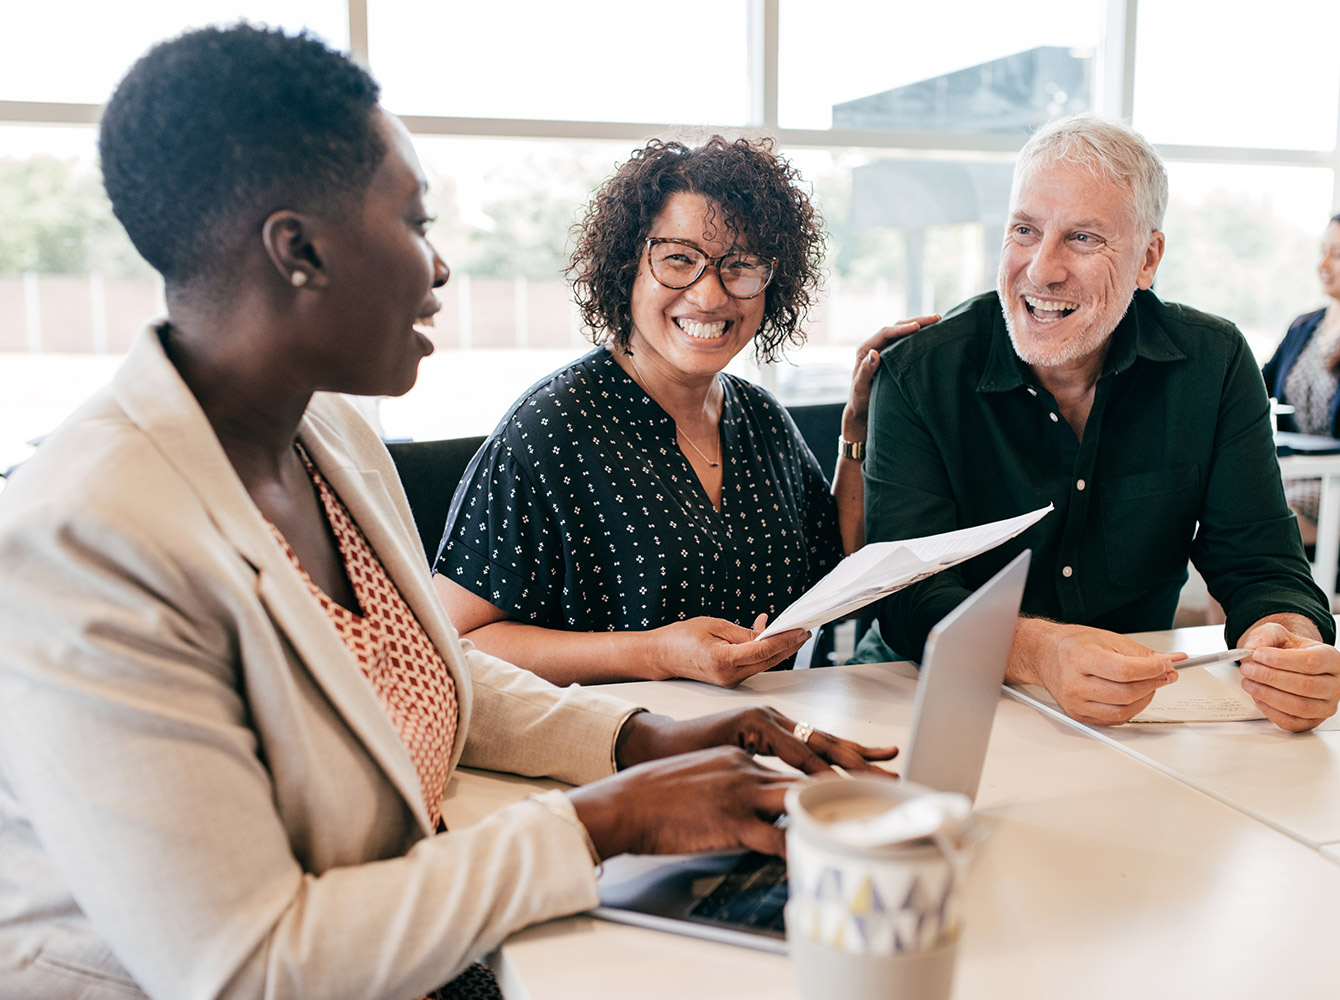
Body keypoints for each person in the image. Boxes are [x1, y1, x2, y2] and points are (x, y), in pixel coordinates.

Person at [0, 25, 898, 1000]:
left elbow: (427, 663)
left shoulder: (328, 436)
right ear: (298, 248)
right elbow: (250, 966)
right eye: (415, 223)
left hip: (417, 944)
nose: (438, 271)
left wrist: (643, 740)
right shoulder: (82, 535)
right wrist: (608, 819)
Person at [864, 113, 1340, 733]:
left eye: (1083, 238)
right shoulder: (919, 375)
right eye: (1024, 230)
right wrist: (1040, 653)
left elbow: (1262, 565)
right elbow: (910, 595)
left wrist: (1289, 641)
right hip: (930, 693)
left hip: (1137, 710)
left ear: (1147, 259)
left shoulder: (1214, 363)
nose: (1041, 269)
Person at [434, 135, 932, 686]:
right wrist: (653, 653)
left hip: (763, 737)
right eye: (679, 259)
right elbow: (458, 641)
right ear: (627, 267)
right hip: (617, 751)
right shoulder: (551, 429)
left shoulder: (760, 418)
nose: (711, 295)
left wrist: (857, 428)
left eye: (740, 266)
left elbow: (837, 564)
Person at [1263, 213, 1340, 546]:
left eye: (1337, 254)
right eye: (1322, 251)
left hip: (1334, 480)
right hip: (1293, 470)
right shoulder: (1303, 326)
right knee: (1222, 526)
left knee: (1254, 535)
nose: (1323, 263)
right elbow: (1255, 387)